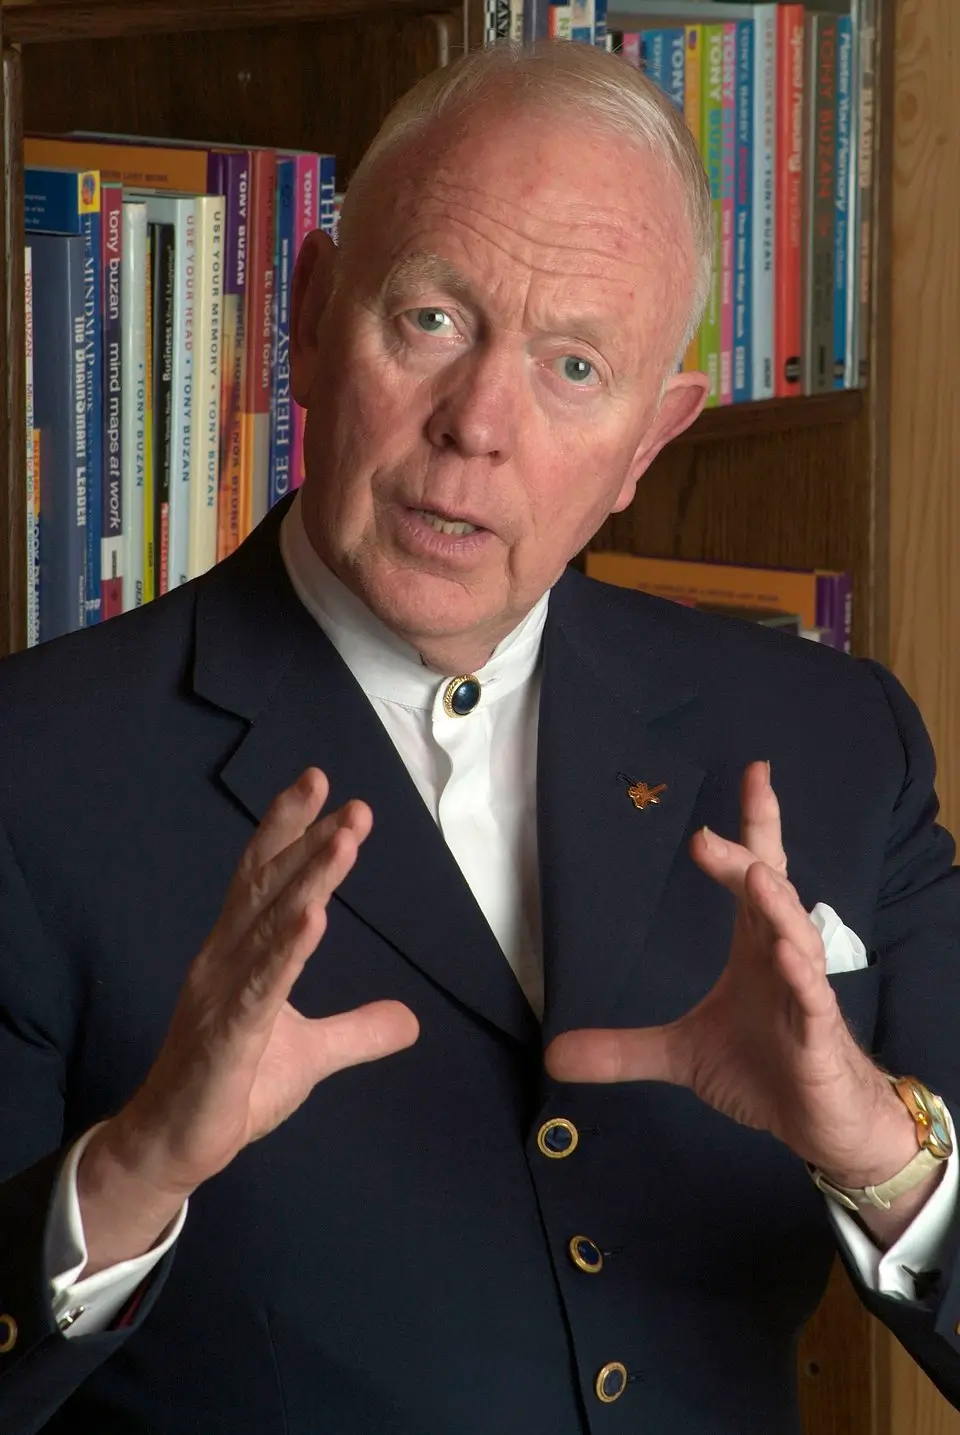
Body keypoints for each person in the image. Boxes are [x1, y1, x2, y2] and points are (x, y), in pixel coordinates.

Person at [1, 39, 959, 1435]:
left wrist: (879, 1151)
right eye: (433, 320)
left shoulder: (832, 740)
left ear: (650, 442)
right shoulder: (31, 773)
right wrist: (135, 1169)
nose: (478, 426)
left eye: (574, 365)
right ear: (312, 312)